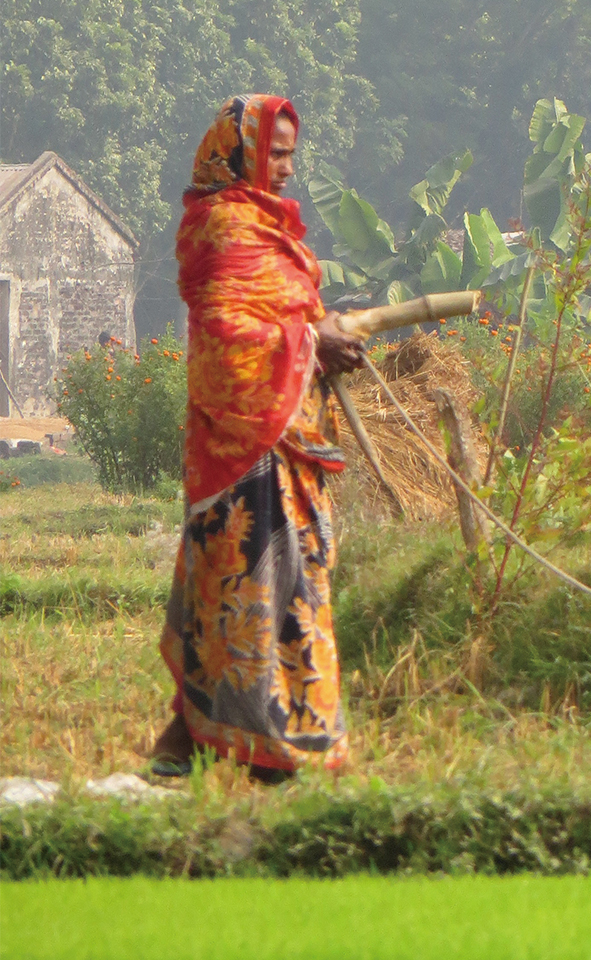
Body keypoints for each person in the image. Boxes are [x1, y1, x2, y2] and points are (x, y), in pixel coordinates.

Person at [148, 94, 364, 782]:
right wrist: (308, 340)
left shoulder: (276, 233)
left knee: (288, 594)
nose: (287, 168)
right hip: (239, 452)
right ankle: (262, 753)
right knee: (242, 600)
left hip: (292, 442)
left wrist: (325, 338)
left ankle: (212, 742)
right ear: (236, 150)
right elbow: (223, 340)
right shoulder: (219, 230)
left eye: (292, 154)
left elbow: (294, 315)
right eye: (275, 152)